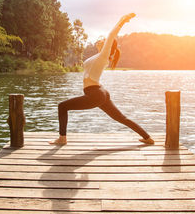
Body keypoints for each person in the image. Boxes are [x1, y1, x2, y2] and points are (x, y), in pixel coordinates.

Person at [49, 13, 154, 145]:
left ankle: (62, 139)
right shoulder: (98, 57)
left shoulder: (104, 56)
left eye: (103, 40)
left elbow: (111, 34)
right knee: (121, 117)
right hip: (99, 92)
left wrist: (122, 20)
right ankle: (147, 138)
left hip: (95, 93)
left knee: (62, 106)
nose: (100, 40)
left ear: (108, 46)